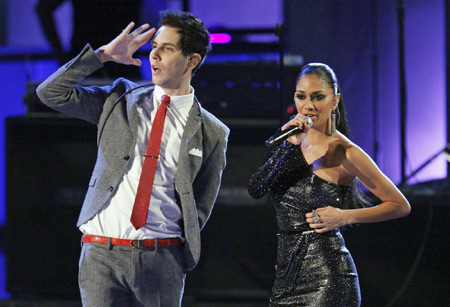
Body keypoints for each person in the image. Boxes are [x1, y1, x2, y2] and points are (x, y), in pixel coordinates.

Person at [36, 10, 229, 306]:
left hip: (161, 258)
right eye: (154, 47)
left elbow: (201, 201)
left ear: (193, 60)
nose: (155, 56)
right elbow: (50, 93)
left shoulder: (213, 131)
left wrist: (175, 250)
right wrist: (101, 56)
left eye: (168, 49)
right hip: (100, 254)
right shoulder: (120, 98)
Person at [248, 63, 410, 307]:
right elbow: (256, 189)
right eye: (301, 96)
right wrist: (289, 146)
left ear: (335, 101)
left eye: (318, 97)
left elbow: (400, 205)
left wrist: (345, 217)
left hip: (328, 278)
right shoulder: (290, 141)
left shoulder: (347, 152)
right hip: (285, 277)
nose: (308, 105)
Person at [36, 0, 143, 80]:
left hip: (90, 62)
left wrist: (60, 54)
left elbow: (43, 9)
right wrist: (60, 54)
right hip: (116, 64)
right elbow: (43, 9)